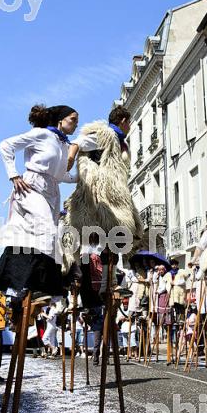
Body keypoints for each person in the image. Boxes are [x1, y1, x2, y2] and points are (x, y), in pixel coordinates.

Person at [0, 104, 79, 305]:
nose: (75, 124)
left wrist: (84, 178)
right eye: (73, 119)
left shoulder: (64, 144)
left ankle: (39, 286)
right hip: (31, 188)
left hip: (52, 191)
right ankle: (30, 285)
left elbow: (62, 175)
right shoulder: (42, 134)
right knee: (47, 231)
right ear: (60, 120)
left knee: (47, 238)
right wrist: (13, 174)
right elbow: (6, 145)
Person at [62, 106, 142, 292]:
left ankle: (111, 281)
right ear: (123, 121)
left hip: (116, 193)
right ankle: (103, 283)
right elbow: (78, 143)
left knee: (116, 236)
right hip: (99, 193)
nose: (129, 126)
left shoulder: (122, 143)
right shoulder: (105, 134)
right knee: (105, 237)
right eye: (128, 122)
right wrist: (70, 159)